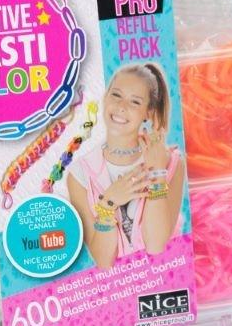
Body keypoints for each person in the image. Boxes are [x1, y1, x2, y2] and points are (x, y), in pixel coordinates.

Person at [67, 63, 185, 269]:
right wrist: (108, 204)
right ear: (105, 98)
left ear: (148, 112)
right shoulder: (80, 174)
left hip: (166, 278)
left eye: (135, 101)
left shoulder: (171, 162)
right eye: (116, 95)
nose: (122, 106)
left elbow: (156, 246)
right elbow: (103, 261)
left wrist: (157, 173)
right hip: (118, 287)